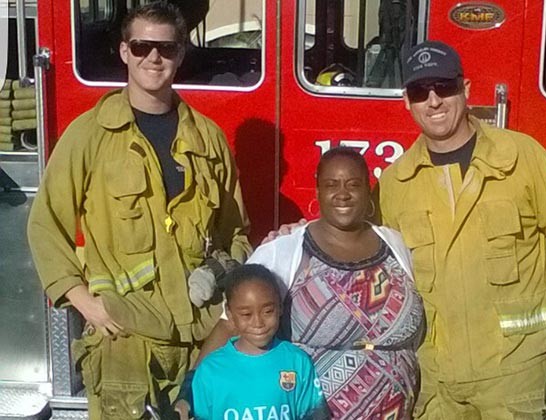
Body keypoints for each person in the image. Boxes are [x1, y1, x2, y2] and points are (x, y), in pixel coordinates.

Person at [27, 2, 251, 418]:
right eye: (142, 46)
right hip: (125, 345)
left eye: (166, 48)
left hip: (201, 340)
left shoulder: (208, 139)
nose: (154, 58)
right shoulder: (90, 135)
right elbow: (45, 224)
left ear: (181, 54)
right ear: (125, 51)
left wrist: (221, 277)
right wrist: (84, 302)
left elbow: (236, 234)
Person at [374, 40, 546, 418]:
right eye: (420, 91)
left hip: (518, 381)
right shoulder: (395, 184)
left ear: (465, 90)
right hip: (437, 387)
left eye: (444, 87)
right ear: (406, 100)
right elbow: (361, 255)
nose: (433, 101)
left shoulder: (522, 157)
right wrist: (299, 234)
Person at [181, 147, 425, 419]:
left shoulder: (396, 245)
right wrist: (187, 396)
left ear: (369, 191)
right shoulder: (286, 250)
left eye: (353, 184)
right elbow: (231, 322)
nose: (342, 193)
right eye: (331, 185)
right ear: (318, 191)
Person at [193, 264, 329, 420]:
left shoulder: (297, 361)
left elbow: (315, 414)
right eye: (246, 314)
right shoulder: (210, 370)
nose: (258, 322)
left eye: (268, 311)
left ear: (280, 307)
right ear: (229, 313)